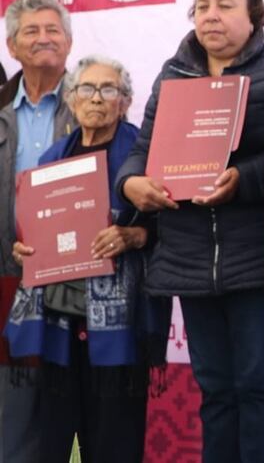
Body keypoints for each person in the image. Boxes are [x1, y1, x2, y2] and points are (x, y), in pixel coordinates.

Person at [118, 0, 264, 463]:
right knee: (214, 389)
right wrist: (131, 183)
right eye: (202, 6)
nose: (211, 16)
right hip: (189, 260)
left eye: (225, 5)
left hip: (256, 259)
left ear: (255, 16)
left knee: (257, 386)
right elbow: (142, 150)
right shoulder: (173, 74)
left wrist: (243, 179)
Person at [5, 55, 169, 463]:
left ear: (125, 101)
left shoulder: (144, 157)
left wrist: (136, 235)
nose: (96, 98)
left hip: (120, 328)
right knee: (56, 442)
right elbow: (35, 230)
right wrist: (27, 249)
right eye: (86, 89)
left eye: (108, 89)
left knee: (114, 442)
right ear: (72, 99)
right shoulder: (51, 159)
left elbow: (175, 226)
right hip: (60, 325)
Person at [0, 0, 75, 463]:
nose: (44, 38)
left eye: (53, 30)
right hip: (8, 275)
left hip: (78, 279)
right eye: (32, 31)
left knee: (73, 406)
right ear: (12, 46)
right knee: (14, 411)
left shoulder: (95, 100)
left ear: (68, 42)